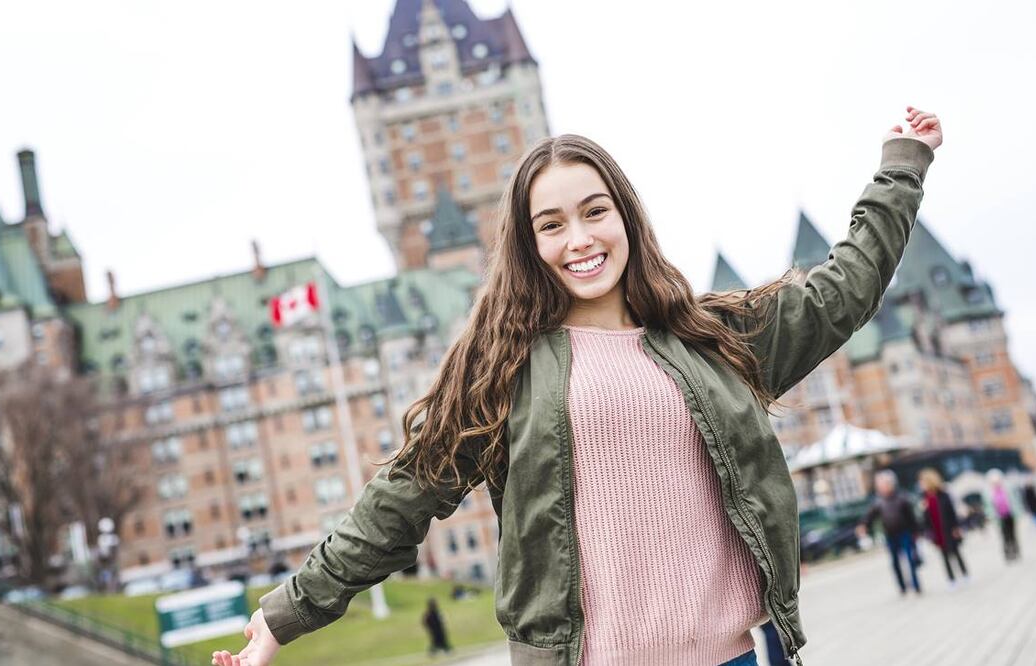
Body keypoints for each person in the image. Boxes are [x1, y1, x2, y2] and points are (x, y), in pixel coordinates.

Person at [212, 107, 941, 666]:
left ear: (624, 215)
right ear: (529, 245)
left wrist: (900, 166)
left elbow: (847, 288)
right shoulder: (500, 367)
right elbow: (397, 503)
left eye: (595, 211)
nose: (580, 239)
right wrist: (282, 619)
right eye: (552, 224)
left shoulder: (712, 339)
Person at [858, 470, 923, 596]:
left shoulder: (902, 498)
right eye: (879, 485)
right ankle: (902, 587)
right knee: (895, 563)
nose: (881, 487)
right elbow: (870, 516)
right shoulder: (878, 502)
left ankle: (916, 585)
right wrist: (864, 525)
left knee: (910, 560)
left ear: (890, 484)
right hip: (890, 535)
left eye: (882, 484)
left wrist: (916, 532)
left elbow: (912, 518)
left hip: (905, 533)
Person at [918, 468, 969, 587]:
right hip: (937, 532)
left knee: (956, 553)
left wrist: (956, 527)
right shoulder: (925, 499)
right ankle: (951, 579)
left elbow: (952, 512)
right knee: (944, 556)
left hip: (949, 529)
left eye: (923, 482)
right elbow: (925, 519)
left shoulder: (943, 495)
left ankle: (964, 574)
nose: (921, 485)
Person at [988, 469, 1021, 562]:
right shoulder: (990, 493)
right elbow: (989, 508)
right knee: (1004, 536)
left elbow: (1014, 501)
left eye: (997, 480)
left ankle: (1016, 551)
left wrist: (1017, 513)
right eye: (994, 481)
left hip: (1009, 515)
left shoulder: (1006, 489)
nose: (996, 483)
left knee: (1013, 534)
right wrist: (993, 518)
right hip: (1000, 518)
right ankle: (1008, 554)